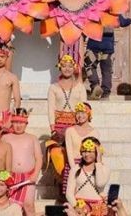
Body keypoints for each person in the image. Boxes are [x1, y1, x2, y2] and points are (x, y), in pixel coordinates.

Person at [47, 55, 87, 184]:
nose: (67, 69)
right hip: (59, 126)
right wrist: (53, 128)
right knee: (59, 155)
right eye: (64, 66)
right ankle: (60, 185)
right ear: (59, 67)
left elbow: (84, 108)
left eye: (70, 66)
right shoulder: (53, 87)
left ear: (74, 67)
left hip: (76, 125)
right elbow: (51, 108)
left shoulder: (80, 87)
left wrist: (83, 126)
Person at [1, 108, 41, 216]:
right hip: (10, 176)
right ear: (11, 123)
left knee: (29, 205)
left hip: (28, 177)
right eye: (16, 122)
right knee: (10, 206)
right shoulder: (5, 138)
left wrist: (36, 173)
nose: (18, 125)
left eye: (21, 123)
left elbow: (38, 158)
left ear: (26, 124)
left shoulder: (32, 138)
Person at [84, 15, 131, 99]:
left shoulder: (94, 11)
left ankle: (95, 85)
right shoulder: (113, 12)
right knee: (106, 70)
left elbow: (84, 25)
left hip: (93, 45)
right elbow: (123, 23)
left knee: (89, 66)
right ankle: (105, 93)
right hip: (107, 46)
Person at [65, 137, 110, 216]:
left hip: (98, 208)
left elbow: (100, 184)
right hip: (79, 206)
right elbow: (69, 193)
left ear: (97, 152)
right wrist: (76, 207)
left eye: (90, 151)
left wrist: (99, 162)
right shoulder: (75, 169)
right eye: (84, 151)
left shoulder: (104, 168)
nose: (86, 154)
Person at [57, 0, 93, 68]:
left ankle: (78, 81)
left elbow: (95, 10)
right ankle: (64, 82)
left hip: (79, 34)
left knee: (78, 58)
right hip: (64, 34)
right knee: (63, 58)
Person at [64, 102, 99, 194]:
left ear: (89, 114)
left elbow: (97, 153)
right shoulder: (70, 131)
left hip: (89, 166)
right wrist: (74, 169)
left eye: (83, 113)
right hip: (73, 165)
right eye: (78, 113)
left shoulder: (95, 132)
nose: (80, 116)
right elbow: (69, 151)